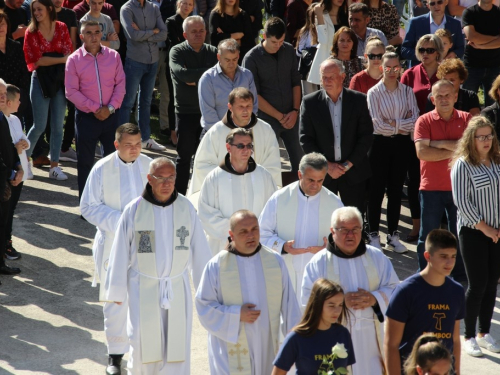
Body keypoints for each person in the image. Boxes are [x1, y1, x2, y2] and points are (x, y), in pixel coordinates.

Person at [104, 157, 212, 374]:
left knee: (177, 345)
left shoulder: (185, 208)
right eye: (160, 178)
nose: (166, 183)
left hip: (176, 288)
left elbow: (200, 250)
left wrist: (208, 289)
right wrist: (116, 290)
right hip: (143, 287)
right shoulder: (134, 210)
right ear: (149, 179)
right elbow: (119, 253)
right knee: (143, 343)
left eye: (170, 178)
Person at [80, 123, 151, 375]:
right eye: (129, 145)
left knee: (146, 296)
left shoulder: (149, 165)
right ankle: (115, 356)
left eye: (139, 144)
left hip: (146, 242)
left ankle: (143, 351)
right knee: (116, 300)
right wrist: (122, 221)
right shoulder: (102, 168)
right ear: (116, 144)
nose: (135, 150)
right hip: (113, 242)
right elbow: (87, 206)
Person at [195, 210, 301, 375]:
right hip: (229, 348)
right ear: (231, 235)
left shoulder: (275, 261)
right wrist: (236, 315)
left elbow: (290, 306)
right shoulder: (216, 266)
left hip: (267, 345)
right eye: (243, 231)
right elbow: (204, 308)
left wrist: (296, 344)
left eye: (254, 229)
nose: (250, 235)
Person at [302, 206, 400, 375]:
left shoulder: (377, 257)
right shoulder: (319, 263)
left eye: (355, 229)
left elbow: (396, 290)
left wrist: (374, 298)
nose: (350, 235)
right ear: (332, 231)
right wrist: (339, 304)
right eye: (344, 230)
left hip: (373, 340)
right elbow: (307, 302)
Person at [259, 152, 344, 298]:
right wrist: (282, 246)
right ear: (300, 174)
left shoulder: (334, 203)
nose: (315, 185)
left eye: (320, 180)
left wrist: (329, 248)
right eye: (311, 180)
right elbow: (261, 233)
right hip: (285, 275)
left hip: (318, 277)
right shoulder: (280, 198)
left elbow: (345, 239)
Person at [450, 116, 500, 357]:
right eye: (481, 137)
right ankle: (469, 336)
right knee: (477, 284)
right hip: (473, 233)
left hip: (497, 233)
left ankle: (484, 332)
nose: (486, 141)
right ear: (471, 139)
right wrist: (486, 228)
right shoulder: (463, 164)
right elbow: (462, 203)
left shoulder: (496, 161)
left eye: (489, 135)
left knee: (492, 283)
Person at [384, 229, 465, 375]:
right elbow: (391, 344)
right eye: (443, 256)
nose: (449, 262)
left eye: (453, 256)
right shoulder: (405, 291)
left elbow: (455, 339)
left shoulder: (457, 291)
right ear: (427, 256)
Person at [300, 58, 373, 214]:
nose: (327, 81)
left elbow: (366, 137)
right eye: (324, 77)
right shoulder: (310, 103)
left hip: (354, 173)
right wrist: (328, 166)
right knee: (322, 223)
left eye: (331, 76)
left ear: (342, 77)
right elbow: (305, 139)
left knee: (353, 223)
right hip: (322, 175)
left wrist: (346, 165)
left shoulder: (359, 100)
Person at [414, 79, 470, 281]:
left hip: (461, 188)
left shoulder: (467, 119)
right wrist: (455, 147)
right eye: (440, 96)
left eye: (448, 95)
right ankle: (425, 275)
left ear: (456, 97)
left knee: (460, 235)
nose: (444, 99)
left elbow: (471, 151)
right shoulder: (424, 121)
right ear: (432, 99)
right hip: (431, 188)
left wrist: (438, 144)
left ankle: (460, 277)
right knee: (426, 236)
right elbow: (422, 153)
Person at [65, 20, 126, 199]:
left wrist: (110, 108)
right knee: (85, 162)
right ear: (81, 36)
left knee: (113, 161)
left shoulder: (114, 56)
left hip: (111, 117)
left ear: (102, 34)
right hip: (86, 118)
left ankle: (110, 200)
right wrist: (96, 109)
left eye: (97, 32)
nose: (94, 36)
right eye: (89, 33)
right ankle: (87, 204)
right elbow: (71, 92)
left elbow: (121, 85)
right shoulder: (73, 60)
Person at [366, 51, 419, 254]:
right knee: (376, 191)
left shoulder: (407, 92)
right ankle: (373, 234)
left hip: (401, 146)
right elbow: (377, 126)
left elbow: (415, 120)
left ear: (401, 68)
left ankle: (393, 234)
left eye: (396, 67)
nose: (392, 71)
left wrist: (393, 124)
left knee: (396, 190)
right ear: (381, 68)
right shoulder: (374, 93)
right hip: (379, 146)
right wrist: (401, 124)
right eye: (388, 67)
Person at [188, 87, 281, 197]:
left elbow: (273, 165)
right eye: (241, 106)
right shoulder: (216, 132)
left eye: (248, 106)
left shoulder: (265, 130)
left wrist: (253, 180)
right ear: (230, 107)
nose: (245, 111)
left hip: (257, 192)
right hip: (224, 194)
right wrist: (229, 179)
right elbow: (202, 166)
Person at [198, 128, 277, 255]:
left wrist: (254, 234)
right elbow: (206, 214)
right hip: (224, 246)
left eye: (249, 146)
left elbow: (273, 210)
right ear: (228, 147)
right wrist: (238, 234)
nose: (246, 150)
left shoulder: (263, 175)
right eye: (240, 146)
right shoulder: (215, 178)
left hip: (257, 245)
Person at [242, 17, 304, 173]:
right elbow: (254, 95)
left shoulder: (289, 50)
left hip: (292, 116)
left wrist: (295, 111)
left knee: (301, 163)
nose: (278, 46)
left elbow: (296, 82)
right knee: (268, 166)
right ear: (264, 36)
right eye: (274, 42)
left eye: (281, 41)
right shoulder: (251, 58)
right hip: (267, 120)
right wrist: (279, 116)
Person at [401, 34, 444, 244]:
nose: (425, 54)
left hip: (442, 136)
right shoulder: (409, 74)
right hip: (415, 136)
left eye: (430, 50)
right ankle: (416, 225)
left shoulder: (445, 74)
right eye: (421, 50)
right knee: (416, 181)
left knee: (440, 181)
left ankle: (441, 228)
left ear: (438, 53)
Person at [23, 0, 72, 181]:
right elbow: (35, 61)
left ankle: (55, 167)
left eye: (39, 9)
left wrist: (50, 59)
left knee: (58, 126)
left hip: (59, 80)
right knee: (39, 126)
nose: (36, 13)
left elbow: (69, 53)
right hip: (40, 81)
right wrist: (60, 58)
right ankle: (23, 162)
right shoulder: (31, 32)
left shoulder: (61, 27)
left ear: (49, 8)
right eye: (34, 10)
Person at [170, 16, 218, 195]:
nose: (198, 34)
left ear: (206, 32)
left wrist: (194, 77)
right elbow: (182, 74)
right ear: (185, 34)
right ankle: (180, 197)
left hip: (210, 112)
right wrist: (208, 76)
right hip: (186, 113)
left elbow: (221, 73)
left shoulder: (214, 52)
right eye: (193, 31)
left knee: (207, 158)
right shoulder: (177, 52)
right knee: (184, 158)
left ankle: (203, 196)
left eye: (201, 31)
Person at [272, 279, 356, 375]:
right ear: (318, 304)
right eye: (331, 305)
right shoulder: (296, 338)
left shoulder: (343, 334)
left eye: (340, 305)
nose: (337, 311)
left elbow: (346, 371)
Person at [118, 0, 168, 151]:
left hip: (153, 60)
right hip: (135, 61)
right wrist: (153, 32)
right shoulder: (126, 9)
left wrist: (144, 33)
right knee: (127, 102)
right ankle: (123, 140)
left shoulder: (153, 7)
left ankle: (145, 138)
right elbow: (132, 35)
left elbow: (164, 33)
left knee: (145, 101)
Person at [198, 38, 257, 131]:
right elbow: (208, 113)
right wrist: (225, 133)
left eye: (234, 59)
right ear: (218, 57)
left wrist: (243, 130)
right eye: (227, 60)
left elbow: (253, 106)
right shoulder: (208, 78)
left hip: (244, 132)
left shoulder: (247, 75)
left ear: (238, 56)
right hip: (215, 132)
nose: (231, 64)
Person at [0, 11, 31, 175]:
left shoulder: (16, 46)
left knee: (16, 134)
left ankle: (20, 169)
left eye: (3, 24)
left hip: (16, 96)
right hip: (0, 98)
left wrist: (21, 95)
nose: (1, 27)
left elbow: (23, 72)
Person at [0, 78, 22, 276]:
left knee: (5, 218)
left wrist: (17, 166)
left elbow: (9, 148)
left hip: (6, 178)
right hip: (4, 176)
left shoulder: (4, 119)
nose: (2, 97)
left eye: (3, 94)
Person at [401, 0, 464, 67]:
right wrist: (423, 55)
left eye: (440, 2)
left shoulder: (455, 24)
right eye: (432, 3)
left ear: (446, 2)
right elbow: (405, 49)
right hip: (421, 69)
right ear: (428, 5)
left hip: (446, 70)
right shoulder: (415, 23)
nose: (436, 6)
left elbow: (460, 48)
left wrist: (454, 53)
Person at [4, 84, 27, 261]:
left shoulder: (15, 119)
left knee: (10, 211)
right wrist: (15, 148)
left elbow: (22, 138)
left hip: (19, 172)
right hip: (6, 174)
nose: (20, 103)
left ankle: (6, 241)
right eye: (18, 100)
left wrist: (24, 144)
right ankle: (5, 244)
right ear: (9, 101)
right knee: (5, 211)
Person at [462, 0, 500, 107]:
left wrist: (481, 46)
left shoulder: (498, 13)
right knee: (466, 103)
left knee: (494, 106)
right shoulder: (469, 13)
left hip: (495, 66)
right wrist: (496, 38)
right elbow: (472, 37)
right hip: (472, 66)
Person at [165, 0, 193, 146]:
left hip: (191, 64)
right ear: (178, 4)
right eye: (184, 3)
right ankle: (173, 133)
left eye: (190, 4)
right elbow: (176, 43)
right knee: (174, 97)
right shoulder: (171, 21)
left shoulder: (193, 22)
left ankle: (185, 131)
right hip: (175, 64)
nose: (187, 6)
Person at [307, 0, 349, 87]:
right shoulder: (321, 15)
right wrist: (319, 15)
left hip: (345, 61)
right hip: (327, 61)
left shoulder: (346, 15)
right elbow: (323, 40)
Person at [296, 4, 318, 95]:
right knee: (308, 93)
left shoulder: (325, 30)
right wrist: (308, 53)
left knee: (320, 93)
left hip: (320, 65)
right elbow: (299, 51)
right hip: (308, 66)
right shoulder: (305, 31)